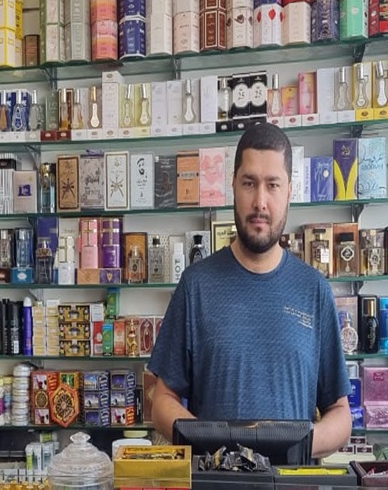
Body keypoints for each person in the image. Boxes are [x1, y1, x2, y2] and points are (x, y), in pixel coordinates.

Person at [147, 122, 352, 458]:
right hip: (215, 489)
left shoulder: (314, 291)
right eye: (249, 183)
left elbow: (340, 414)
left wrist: (291, 445)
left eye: (273, 185)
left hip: (291, 489)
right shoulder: (196, 286)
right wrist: (213, 446)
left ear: (289, 191)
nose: (260, 202)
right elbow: (162, 401)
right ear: (233, 186)